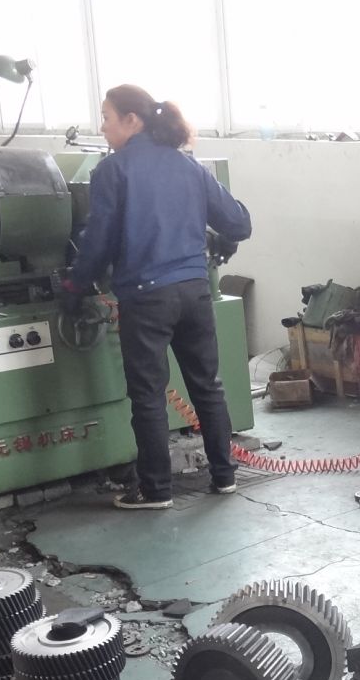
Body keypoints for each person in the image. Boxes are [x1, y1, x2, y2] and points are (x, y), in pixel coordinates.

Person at [71, 84, 252, 509]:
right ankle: (224, 476)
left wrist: (74, 285)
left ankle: (155, 491)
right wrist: (216, 234)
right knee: (208, 386)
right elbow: (239, 223)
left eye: (106, 118)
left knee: (149, 395)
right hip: (195, 292)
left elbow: (98, 242)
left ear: (131, 120)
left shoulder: (113, 171)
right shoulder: (188, 165)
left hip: (146, 298)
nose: (102, 127)